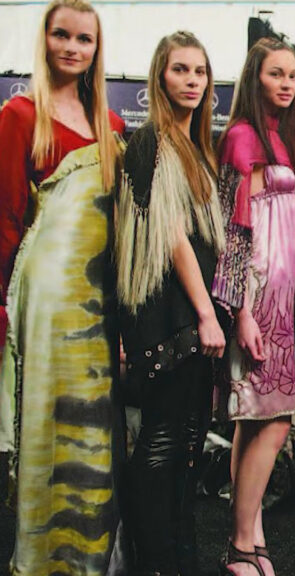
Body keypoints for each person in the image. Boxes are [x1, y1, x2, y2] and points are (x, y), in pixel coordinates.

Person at [0, 1, 126, 573]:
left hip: (97, 301)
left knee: (94, 431)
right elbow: (5, 217)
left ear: (97, 49)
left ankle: (86, 560)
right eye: (61, 35)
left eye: (84, 39)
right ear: (44, 38)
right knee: (48, 426)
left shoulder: (113, 124)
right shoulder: (20, 115)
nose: (72, 48)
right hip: (46, 300)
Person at [116, 30, 225, 575]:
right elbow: (173, 236)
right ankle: (156, 561)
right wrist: (205, 314)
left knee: (183, 441)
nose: (192, 81)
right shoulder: (153, 142)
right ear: (161, 76)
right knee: (163, 440)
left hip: (187, 315)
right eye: (181, 70)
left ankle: (177, 556)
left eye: (200, 72)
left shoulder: (195, 147)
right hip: (168, 317)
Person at [213, 37, 295, 576]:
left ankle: (249, 532)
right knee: (272, 420)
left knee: (254, 420)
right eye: (276, 74)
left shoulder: (278, 135)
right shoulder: (244, 136)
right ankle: (240, 545)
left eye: (292, 75)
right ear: (256, 78)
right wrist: (242, 311)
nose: (287, 84)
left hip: (281, 294)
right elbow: (235, 229)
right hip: (258, 295)